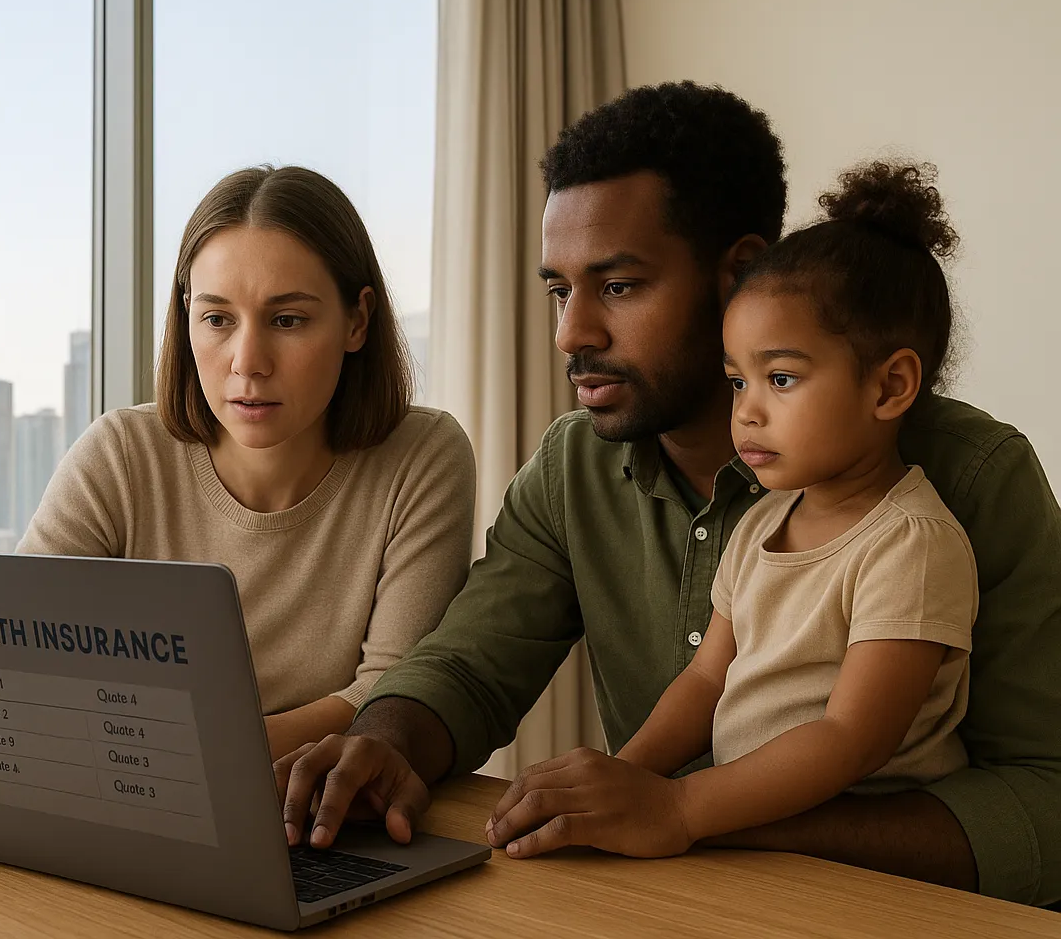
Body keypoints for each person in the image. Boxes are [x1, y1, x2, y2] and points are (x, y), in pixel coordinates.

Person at [277, 83, 1061, 908]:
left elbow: (1044, 805)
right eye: (558, 290)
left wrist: (701, 819)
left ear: (738, 273)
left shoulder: (967, 482)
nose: (570, 334)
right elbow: (470, 665)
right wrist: (380, 744)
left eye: (617, 286)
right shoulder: (572, 466)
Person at [523, 161, 979, 854]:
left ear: (891, 387)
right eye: (738, 381)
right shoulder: (764, 520)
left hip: (865, 869)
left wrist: (677, 808)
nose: (749, 411)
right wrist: (627, 777)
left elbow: (850, 738)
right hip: (751, 841)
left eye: (782, 377)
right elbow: (707, 677)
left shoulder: (911, 544)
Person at [18, 164, 476, 762]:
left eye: (287, 320)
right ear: (187, 320)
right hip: (130, 796)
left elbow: (390, 695)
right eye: (217, 319)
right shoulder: (121, 455)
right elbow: (17, 662)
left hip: (318, 809)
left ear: (356, 321)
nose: (248, 362)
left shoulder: (422, 459)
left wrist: (191, 755)